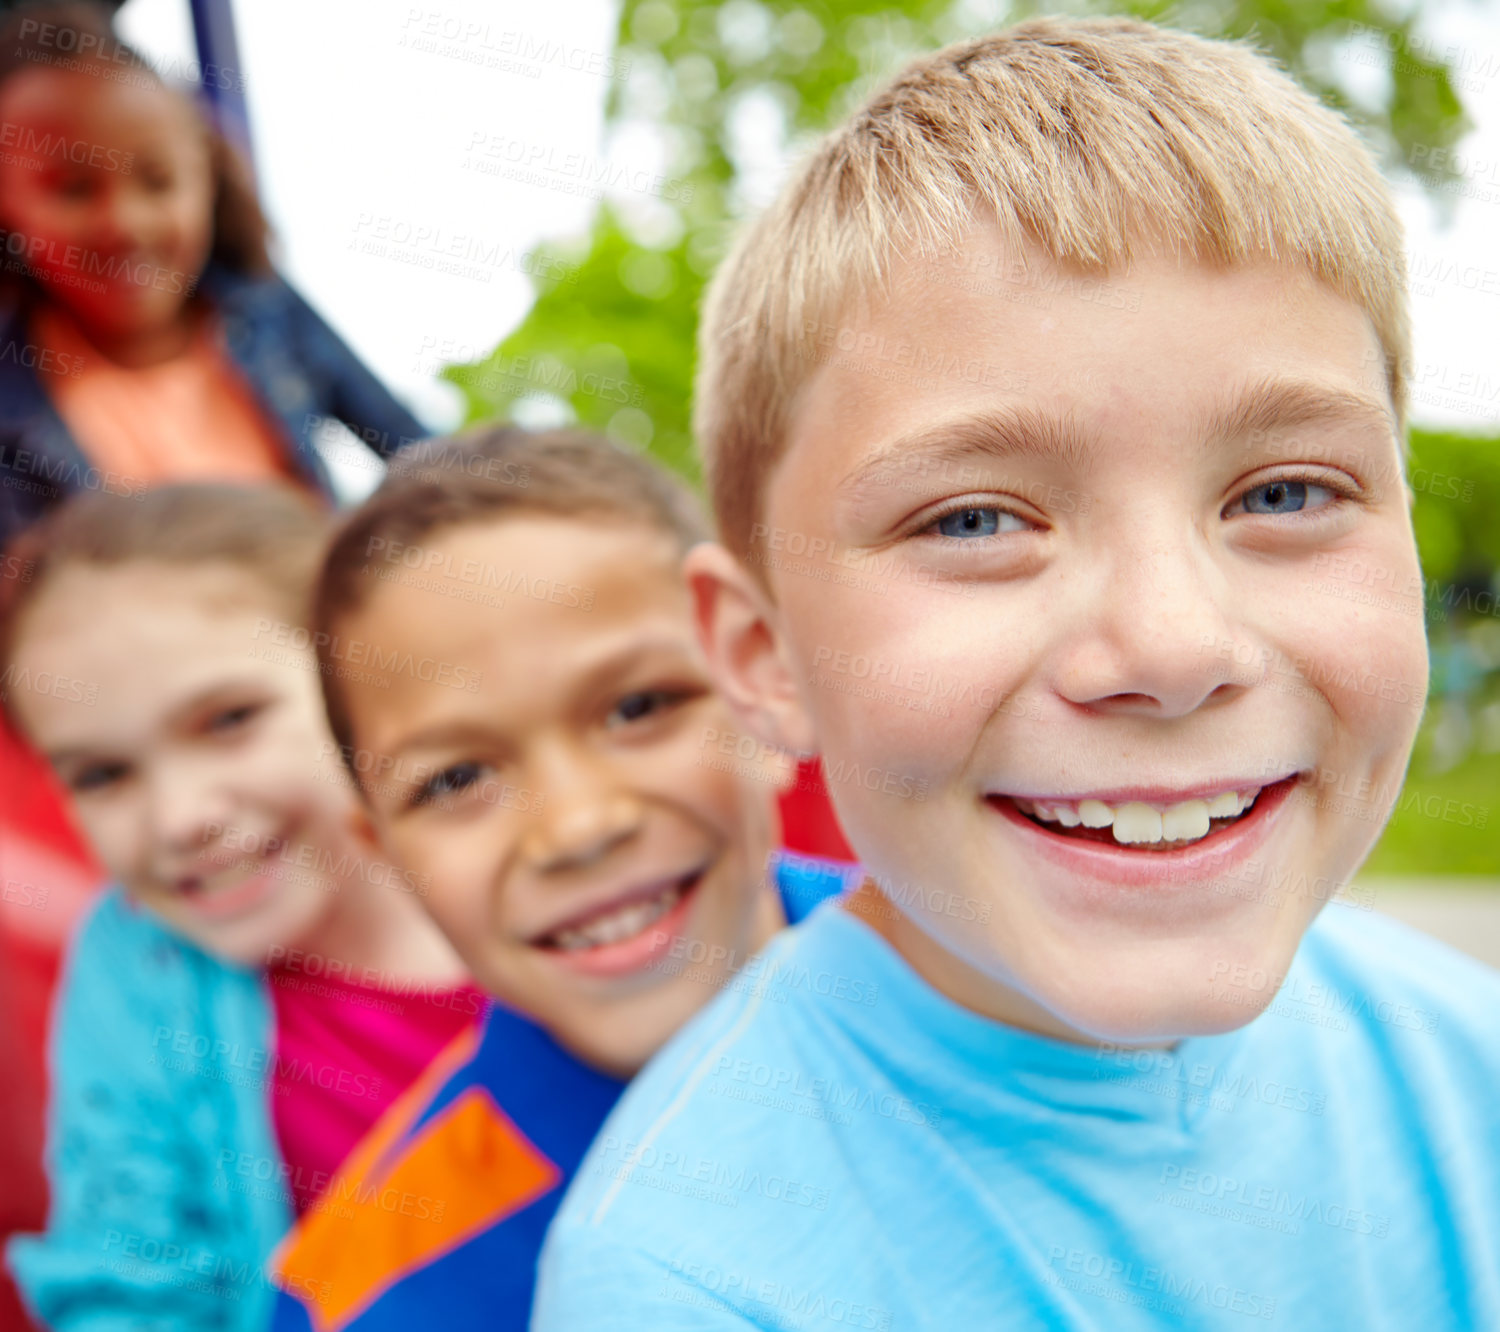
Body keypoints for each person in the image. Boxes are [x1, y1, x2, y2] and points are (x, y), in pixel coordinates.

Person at [533, 16, 1500, 1330]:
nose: (1171, 648)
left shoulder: (1469, 1062)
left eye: (1282, 491)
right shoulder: (692, 1281)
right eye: (976, 520)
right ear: (764, 658)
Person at [268, 427, 854, 1331]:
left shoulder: (1034, 981)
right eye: (456, 779)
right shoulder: (373, 1296)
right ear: (386, 858)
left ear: (766, 685)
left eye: (638, 707)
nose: (578, 827)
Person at [1, 484, 477, 1331]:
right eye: (102, 775)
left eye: (228, 720)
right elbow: (130, 1290)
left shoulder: (519, 862)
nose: (181, 818)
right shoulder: (139, 971)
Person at [0, 1, 424, 545]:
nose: (125, 223)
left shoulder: (269, 311)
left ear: (207, 180)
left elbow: (421, 458)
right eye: (73, 189)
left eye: (157, 181)